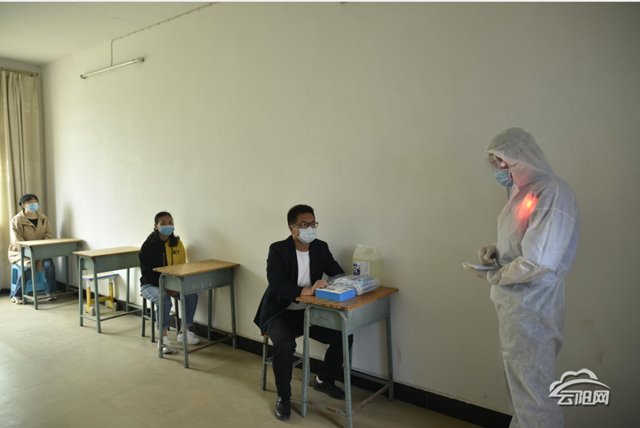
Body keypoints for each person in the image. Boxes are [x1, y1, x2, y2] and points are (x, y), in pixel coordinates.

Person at [464, 128, 580, 428]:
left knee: (534, 390)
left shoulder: (551, 192)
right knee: (521, 387)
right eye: (494, 161)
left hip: (534, 305)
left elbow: (539, 260)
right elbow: (525, 241)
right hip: (517, 305)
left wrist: (495, 275)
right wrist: (496, 250)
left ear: (525, 155)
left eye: (504, 159)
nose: (499, 167)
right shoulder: (523, 192)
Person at [254, 204, 353, 421]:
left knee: (343, 335)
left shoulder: (320, 247)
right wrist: (307, 290)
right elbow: (276, 285)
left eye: (313, 223)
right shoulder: (278, 250)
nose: (310, 228)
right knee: (285, 346)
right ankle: (284, 397)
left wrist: (344, 283)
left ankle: (323, 380)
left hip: (307, 313)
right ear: (292, 228)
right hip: (280, 313)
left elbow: (337, 273)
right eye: (304, 224)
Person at [139, 211, 200, 354]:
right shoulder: (148, 246)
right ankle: (163, 338)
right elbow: (147, 274)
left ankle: (184, 332)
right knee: (164, 299)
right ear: (156, 226)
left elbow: (182, 268)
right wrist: (166, 287)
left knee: (191, 295)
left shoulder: (177, 244)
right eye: (163, 223)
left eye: (170, 222)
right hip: (150, 285)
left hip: (173, 284)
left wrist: (176, 286)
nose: (168, 225)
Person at [8, 194, 59, 304]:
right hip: (21, 252)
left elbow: (48, 235)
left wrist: (41, 248)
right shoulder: (16, 220)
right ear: (23, 205)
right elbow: (16, 240)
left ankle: (51, 292)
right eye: (30, 202)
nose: (34, 204)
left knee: (49, 265)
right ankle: (17, 295)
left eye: (35, 202)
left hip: (41, 251)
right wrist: (29, 249)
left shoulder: (43, 218)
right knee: (27, 269)